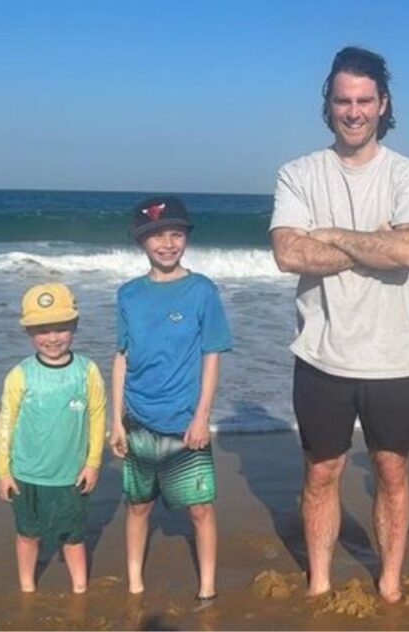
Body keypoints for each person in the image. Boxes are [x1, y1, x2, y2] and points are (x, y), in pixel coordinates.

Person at [269, 46, 409, 602]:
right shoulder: (297, 174)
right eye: (344, 100)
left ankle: (388, 583)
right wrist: (372, 242)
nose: (354, 111)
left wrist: (331, 234)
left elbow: (408, 250)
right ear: (329, 104)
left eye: (365, 100)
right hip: (320, 353)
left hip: (393, 357)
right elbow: (289, 254)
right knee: (321, 473)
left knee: (391, 472)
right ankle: (319, 581)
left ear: (383, 104)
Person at [108, 195, 233, 599]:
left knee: (200, 509)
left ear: (186, 238)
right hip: (139, 419)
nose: (167, 243)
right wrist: (116, 421)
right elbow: (121, 358)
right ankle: (134, 584)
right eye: (156, 235)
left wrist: (202, 417)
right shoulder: (128, 294)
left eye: (175, 234)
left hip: (184, 421)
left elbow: (211, 355)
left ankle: (208, 589)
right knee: (138, 506)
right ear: (141, 242)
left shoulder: (201, 291)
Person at [0, 282, 106, 593]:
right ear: (29, 332)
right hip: (26, 474)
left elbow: (98, 417)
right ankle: (27, 587)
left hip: (71, 475)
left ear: (74, 326)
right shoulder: (20, 374)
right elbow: (6, 424)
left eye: (61, 328)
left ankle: (80, 588)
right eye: (42, 330)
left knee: (73, 537)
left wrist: (93, 463)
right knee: (28, 534)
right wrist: (3, 471)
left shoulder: (88, 371)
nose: (52, 337)